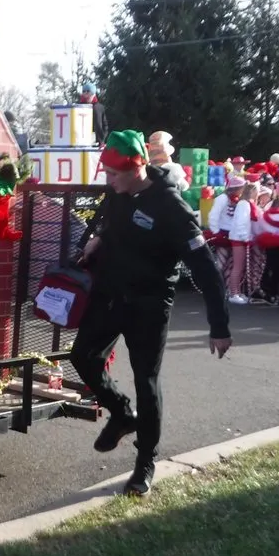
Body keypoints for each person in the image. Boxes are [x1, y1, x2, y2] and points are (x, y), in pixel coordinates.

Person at [71, 130, 231, 497]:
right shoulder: (117, 194)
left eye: (113, 174)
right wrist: (98, 239)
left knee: (147, 381)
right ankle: (121, 412)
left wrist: (219, 325)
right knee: (82, 356)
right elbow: (112, 227)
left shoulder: (171, 208)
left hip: (149, 304)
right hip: (111, 295)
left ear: (136, 167)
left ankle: (145, 462)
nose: (107, 181)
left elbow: (206, 268)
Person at [78, 82, 109, 147]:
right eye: (84, 91)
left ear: (93, 94)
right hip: (81, 142)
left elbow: (105, 125)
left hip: (98, 143)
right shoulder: (78, 107)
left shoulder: (99, 107)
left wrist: (102, 139)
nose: (86, 93)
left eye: (88, 91)